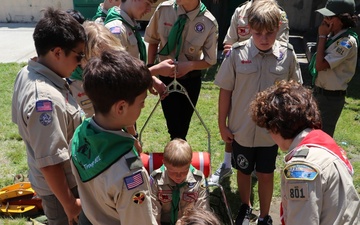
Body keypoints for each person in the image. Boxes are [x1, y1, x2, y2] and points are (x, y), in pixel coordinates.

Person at [214, 0, 302, 224]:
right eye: (258, 32)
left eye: (270, 33)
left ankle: (264, 216)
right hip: (241, 129)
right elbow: (226, 91)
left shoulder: (287, 55)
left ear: (278, 29)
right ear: (249, 29)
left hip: (270, 133)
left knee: (265, 173)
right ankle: (246, 207)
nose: (264, 38)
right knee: (243, 171)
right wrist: (222, 125)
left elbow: (295, 92)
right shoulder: (236, 53)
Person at [11, 8, 87, 225]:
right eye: (78, 55)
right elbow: (50, 163)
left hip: (55, 187)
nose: (81, 62)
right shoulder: (45, 101)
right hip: (61, 191)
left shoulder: (28, 71)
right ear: (57, 52)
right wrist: (70, 204)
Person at [250, 80, 360, 225]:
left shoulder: (301, 169)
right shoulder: (324, 144)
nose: (270, 136)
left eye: (269, 130)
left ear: (277, 127)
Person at [70, 49, 157, 225]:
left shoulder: (80, 135)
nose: (143, 106)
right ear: (121, 108)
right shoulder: (129, 173)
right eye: (141, 103)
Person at [211, 0, 290, 184]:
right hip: (242, 68)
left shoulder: (278, 13)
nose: (263, 35)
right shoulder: (240, 11)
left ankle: (256, 167)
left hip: (268, 69)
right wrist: (242, 53)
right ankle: (227, 163)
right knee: (236, 126)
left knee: (265, 142)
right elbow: (229, 43)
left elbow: (281, 46)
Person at [144, 0, 218, 140]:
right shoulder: (164, 10)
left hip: (190, 80)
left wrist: (190, 65)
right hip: (166, 79)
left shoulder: (208, 22)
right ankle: (176, 156)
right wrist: (151, 75)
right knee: (173, 128)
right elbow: (153, 40)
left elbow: (210, 60)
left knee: (182, 129)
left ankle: (177, 156)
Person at [308, 0, 359, 137]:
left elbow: (320, 65)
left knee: (322, 136)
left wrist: (322, 36)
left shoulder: (347, 41)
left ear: (342, 19)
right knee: (310, 132)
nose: (324, 20)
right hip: (319, 92)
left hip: (331, 98)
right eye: (324, 16)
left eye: (329, 17)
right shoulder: (333, 35)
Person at [68, 21, 124, 118]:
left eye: (109, 58)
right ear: (82, 56)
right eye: (95, 58)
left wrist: (133, 133)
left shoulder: (114, 77)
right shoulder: (69, 86)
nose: (104, 65)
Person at [150, 138, 209, 225]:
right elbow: (152, 214)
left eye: (184, 171)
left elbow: (202, 212)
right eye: (173, 171)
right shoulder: (156, 180)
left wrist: (183, 221)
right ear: (164, 163)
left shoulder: (198, 179)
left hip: (189, 222)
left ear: (190, 163)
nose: (178, 176)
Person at [223, 0, 289, 55]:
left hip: (270, 61)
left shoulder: (279, 14)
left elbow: (282, 48)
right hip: (242, 62)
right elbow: (229, 46)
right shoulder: (240, 12)